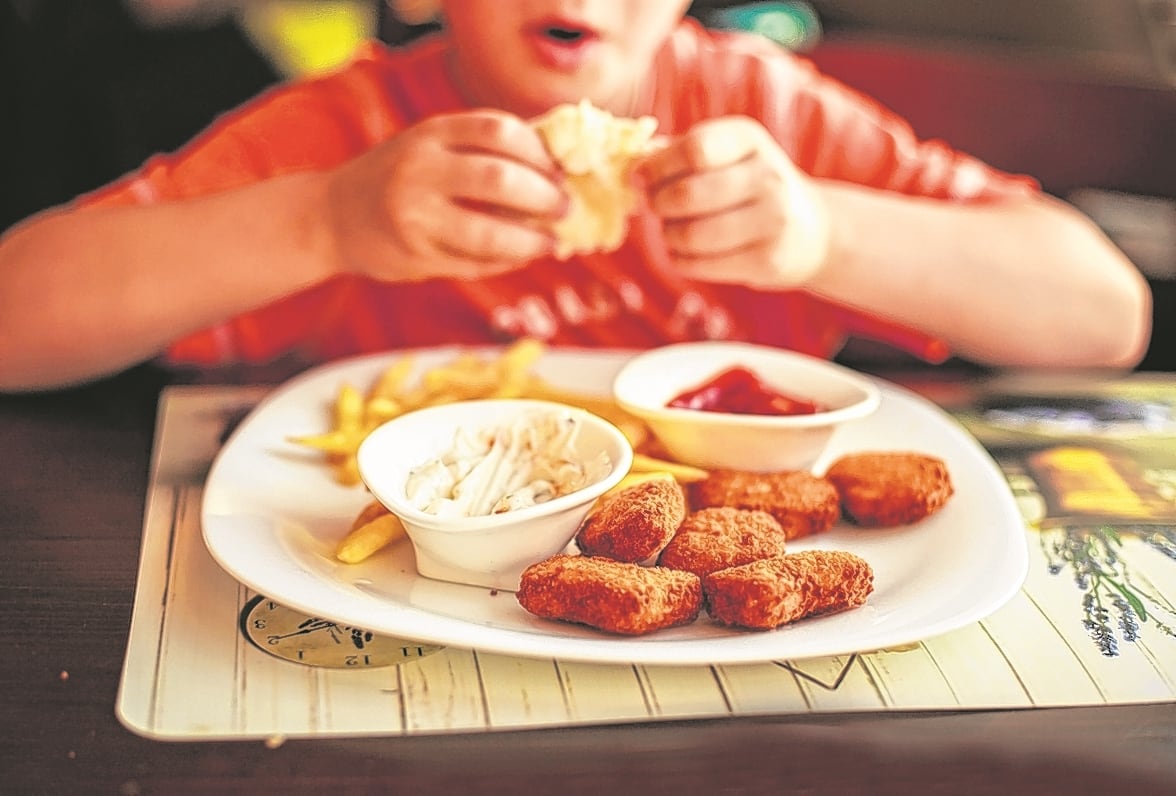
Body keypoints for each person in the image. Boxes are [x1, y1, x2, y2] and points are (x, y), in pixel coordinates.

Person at [0, 0, 1152, 392]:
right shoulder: (339, 139)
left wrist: (821, 233)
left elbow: (1105, 315)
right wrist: (321, 221)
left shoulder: (763, 112)